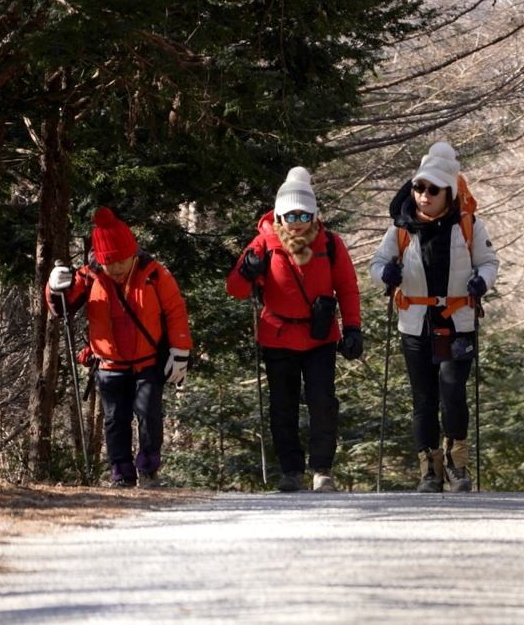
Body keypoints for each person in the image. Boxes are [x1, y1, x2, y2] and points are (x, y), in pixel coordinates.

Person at [369, 142, 498, 493]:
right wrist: (386, 276)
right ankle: (429, 467)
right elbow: (377, 263)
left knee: (453, 391)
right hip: (414, 321)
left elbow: (489, 262)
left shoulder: (469, 225)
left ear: (449, 193)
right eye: (419, 188)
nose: (424, 195)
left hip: (459, 321)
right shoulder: (402, 227)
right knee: (423, 397)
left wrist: (480, 281)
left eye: (432, 190)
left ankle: (457, 462)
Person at [226, 167, 363, 492]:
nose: (297, 221)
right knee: (282, 406)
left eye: (304, 214)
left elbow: (346, 287)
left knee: (323, 403)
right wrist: (246, 272)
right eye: (290, 215)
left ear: (314, 214)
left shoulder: (330, 243)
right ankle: (290, 471)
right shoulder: (263, 243)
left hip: (320, 336)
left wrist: (353, 328)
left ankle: (322, 470)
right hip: (278, 335)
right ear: (279, 215)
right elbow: (235, 290)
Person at [45, 207, 192, 488]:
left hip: (148, 362)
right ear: (100, 259)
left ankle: (149, 469)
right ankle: (121, 473)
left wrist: (180, 350)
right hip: (109, 364)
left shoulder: (154, 273)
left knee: (149, 415)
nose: (117, 268)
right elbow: (59, 308)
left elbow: (175, 311)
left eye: (122, 260)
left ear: (132, 252)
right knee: (115, 420)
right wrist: (54, 287)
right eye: (110, 263)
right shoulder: (89, 277)